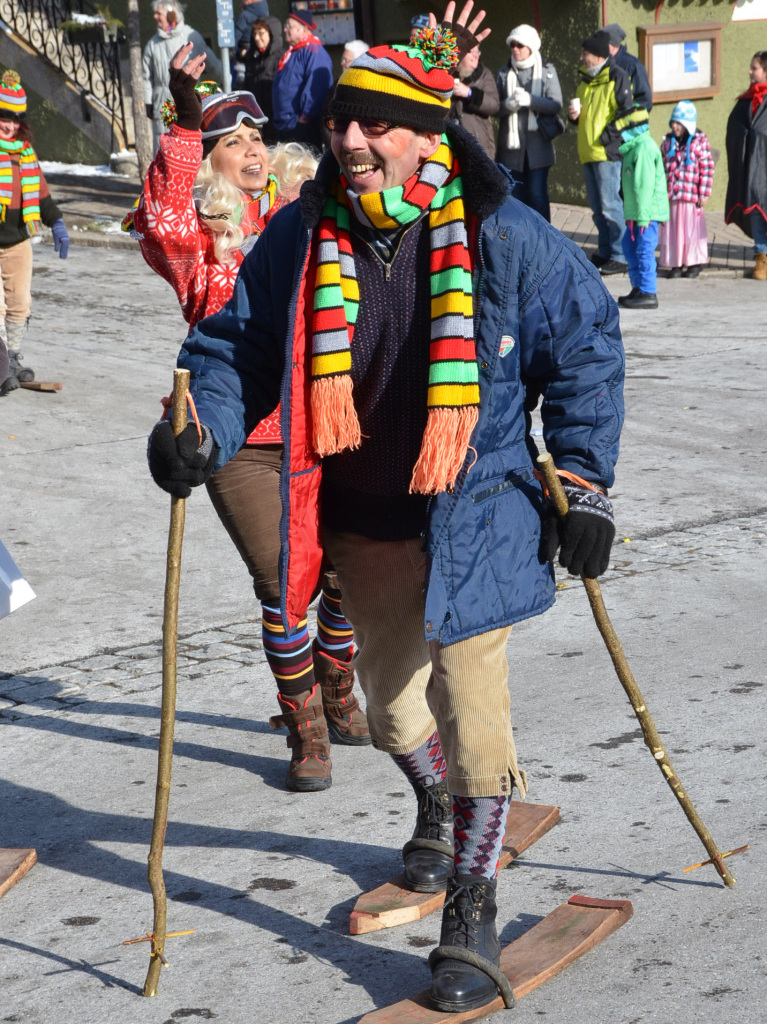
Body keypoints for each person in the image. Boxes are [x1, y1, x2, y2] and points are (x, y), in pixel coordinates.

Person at [147, 2, 624, 1012]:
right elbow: (230, 347)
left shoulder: (503, 234)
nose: (350, 139)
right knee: (395, 709)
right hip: (362, 513)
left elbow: (582, 346)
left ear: (426, 136)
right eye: (340, 123)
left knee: (473, 710)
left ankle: (474, 901)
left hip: (478, 505)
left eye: (375, 124)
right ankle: (435, 807)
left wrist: (581, 486)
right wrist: (203, 429)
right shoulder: (299, 233)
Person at [135, 43, 369, 792]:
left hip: (325, 420)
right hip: (236, 436)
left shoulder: (305, 214)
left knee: (342, 571)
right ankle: (304, 727)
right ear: (210, 165)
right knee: (282, 583)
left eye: (256, 138)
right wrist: (182, 120)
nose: (251, 151)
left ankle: (337, 687)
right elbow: (164, 211)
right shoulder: (197, 239)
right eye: (231, 142)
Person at [0, 71, 69, 398]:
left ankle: (11, 359)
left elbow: (40, 193)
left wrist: (56, 222)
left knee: (19, 304)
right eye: (3, 116)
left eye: (15, 118)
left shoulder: (24, 153)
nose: (9, 124)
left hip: (17, 240)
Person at [568, 29, 633, 275]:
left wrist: (606, 139)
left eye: (585, 52)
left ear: (597, 55)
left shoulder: (618, 77)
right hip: (588, 152)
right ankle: (605, 250)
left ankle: (620, 254)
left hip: (606, 153)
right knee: (597, 208)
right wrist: (574, 118)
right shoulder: (585, 81)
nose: (582, 56)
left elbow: (626, 114)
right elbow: (585, 115)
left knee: (610, 205)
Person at [495, 23, 562, 221]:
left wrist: (530, 101)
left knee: (537, 196)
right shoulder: (504, 73)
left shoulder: (547, 71)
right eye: (512, 45)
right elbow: (494, 108)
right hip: (511, 151)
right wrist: (508, 104)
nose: (515, 49)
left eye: (519, 45)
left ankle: (544, 242)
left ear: (531, 47)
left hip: (538, 149)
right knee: (515, 199)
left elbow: (556, 104)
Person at [143, 0, 222, 150]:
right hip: (162, 104)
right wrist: (147, 101)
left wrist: (228, 79)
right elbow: (146, 77)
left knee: (188, 145)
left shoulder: (191, 38)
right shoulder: (153, 44)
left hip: (188, 102)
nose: (155, 16)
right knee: (163, 148)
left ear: (170, 14)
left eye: (158, 13)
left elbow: (211, 62)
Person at [614, 109, 669, 309]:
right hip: (637, 212)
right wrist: (632, 215)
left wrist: (643, 219)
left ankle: (648, 291)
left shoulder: (644, 149)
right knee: (629, 246)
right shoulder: (632, 148)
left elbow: (645, 187)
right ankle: (638, 287)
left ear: (632, 128)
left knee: (644, 249)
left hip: (648, 213)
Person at [659, 101, 714, 279]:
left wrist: (704, 192)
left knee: (691, 230)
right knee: (674, 231)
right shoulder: (668, 143)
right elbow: (661, 167)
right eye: (673, 122)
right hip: (673, 196)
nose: (674, 126)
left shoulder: (699, 142)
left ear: (687, 124)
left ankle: (694, 262)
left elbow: (707, 167)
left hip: (691, 198)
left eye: (679, 123)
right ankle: (676, 263)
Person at [725, 51, 767, 282]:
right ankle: (762, 256)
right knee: (755, 210)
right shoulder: (744, 102)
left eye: (755, 68)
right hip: (751, 168)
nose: (750, 72)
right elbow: (736, 130)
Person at [271, 10, 332, 148]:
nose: (285, 29)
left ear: (304, 29)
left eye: (289, 26)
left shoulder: (314, 52)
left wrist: (305, 117)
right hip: (285, 125)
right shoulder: (294, 52)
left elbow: (317, 89)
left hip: (301, 126)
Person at [447, 22, 499, 160]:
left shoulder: (484, 75)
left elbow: (494, 105)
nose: (476, 56)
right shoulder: (446, 75)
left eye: (478, 52)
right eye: (472, 52)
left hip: (479, 148)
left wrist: (469, 93)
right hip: (450, 148)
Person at [242, 15, 284, 140]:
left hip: (274, 114)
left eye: (261, 33)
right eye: (254, 34)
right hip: (256, 113)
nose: (256, 38)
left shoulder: (281, 56)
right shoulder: (252, 57)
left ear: (272, 34)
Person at [604, 23, 652, 111]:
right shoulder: (601, 64)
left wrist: (625, 118)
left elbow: (645, 101)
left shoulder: (633, 65)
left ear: (614, 44)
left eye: (603, 42)